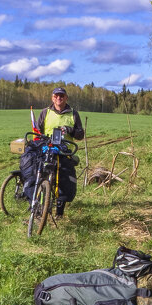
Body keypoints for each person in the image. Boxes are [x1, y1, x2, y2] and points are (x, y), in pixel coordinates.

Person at [28, 86, 85, 217]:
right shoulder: (45, 112)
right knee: (39, 175)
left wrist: (70, 130)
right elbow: (38, 131)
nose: (59, 98)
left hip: (65, 152)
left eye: (61, 96)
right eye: (56, 96)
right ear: (52, 98)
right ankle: (37, 210)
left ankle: (59, 212)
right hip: (47, 149)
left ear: (66, 98)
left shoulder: (73, 113)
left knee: (63, 180)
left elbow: (81, 135)